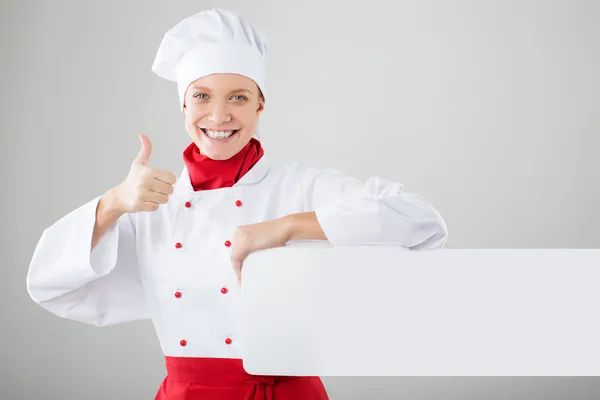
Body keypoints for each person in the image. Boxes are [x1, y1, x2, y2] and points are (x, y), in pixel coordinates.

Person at [26, 8, 448, 400]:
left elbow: (421, 220)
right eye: (203, 96)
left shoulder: (299, 185)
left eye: (239, 97)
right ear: (184, 104)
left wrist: (284, 227)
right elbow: (49, 285)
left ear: (261, 103)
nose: (219, 115)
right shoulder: (153, 203)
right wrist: (113, 203)